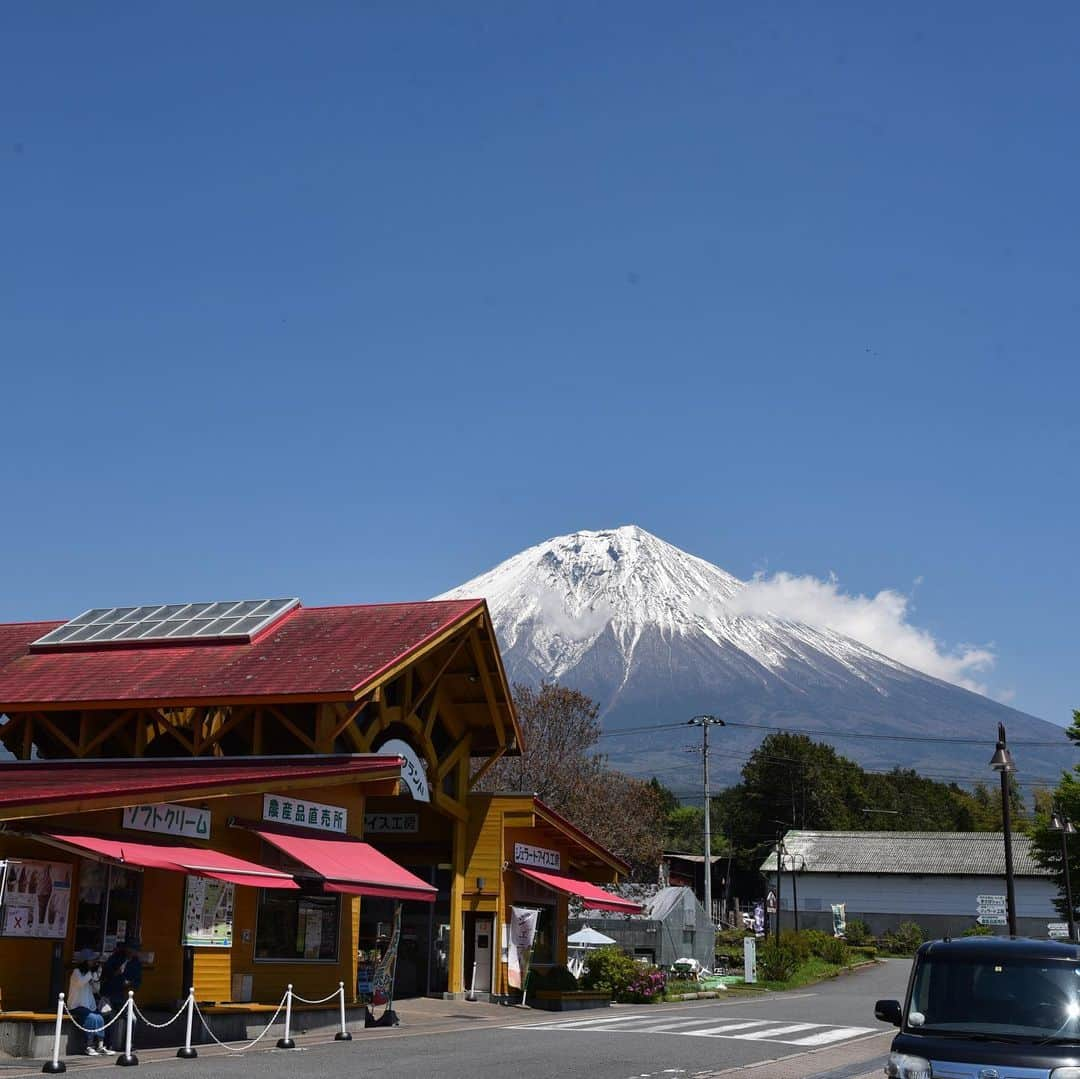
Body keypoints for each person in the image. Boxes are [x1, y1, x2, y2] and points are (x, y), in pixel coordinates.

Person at [101, 940, 142, 1052]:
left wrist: (130, 983)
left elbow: (138, 982)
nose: (132, 952)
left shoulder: (136, 963)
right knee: (109, 1017)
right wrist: (116, 973)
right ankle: (106, 1044)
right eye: (131, 949)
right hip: (109, 993)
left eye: (134, 950)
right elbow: (105, 975)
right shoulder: (115, 958)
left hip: (124, 996)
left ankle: (128, 1045)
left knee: (133, 1019)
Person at [67, 951, 106, 1056]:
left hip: (88, 1005)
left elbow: (96, 990)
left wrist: (97, 975)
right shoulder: (76, 972)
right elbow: (80, 983)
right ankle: (88, 1046)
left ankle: (100, 1045)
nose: (94, 962)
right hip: (77, 1005)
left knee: (99, 1018)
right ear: (85, 961)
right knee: (92, 1018)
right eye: (92, 960)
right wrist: (90, 973)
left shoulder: (90, 973)